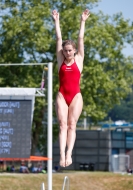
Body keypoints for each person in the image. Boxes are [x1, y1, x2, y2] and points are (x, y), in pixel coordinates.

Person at [52, 9, 90, 167]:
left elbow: (80, 38)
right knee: (62, 125)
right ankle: (61, 154)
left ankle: (69, 153)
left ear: (74, 51)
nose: (67, 53)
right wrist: (56, 21)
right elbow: (59, 38)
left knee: (72, 124)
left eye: (70, 50)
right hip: (62, 95)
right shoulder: (60, 59)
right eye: (65, 50)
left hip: (75, 96)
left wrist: (83, 21)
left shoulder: (79, 59)